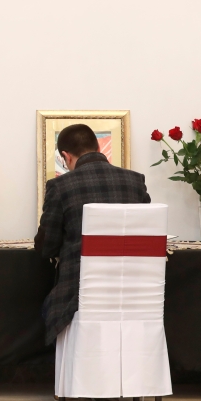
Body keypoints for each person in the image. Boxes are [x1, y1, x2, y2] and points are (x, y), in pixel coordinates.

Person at [33, 123, 150, 344]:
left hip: (78, 296)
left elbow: (47, 245)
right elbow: (145, 234)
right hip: (133, 292)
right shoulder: (135, 181)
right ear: (97, 147)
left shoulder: (60, 186)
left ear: (66, 157)